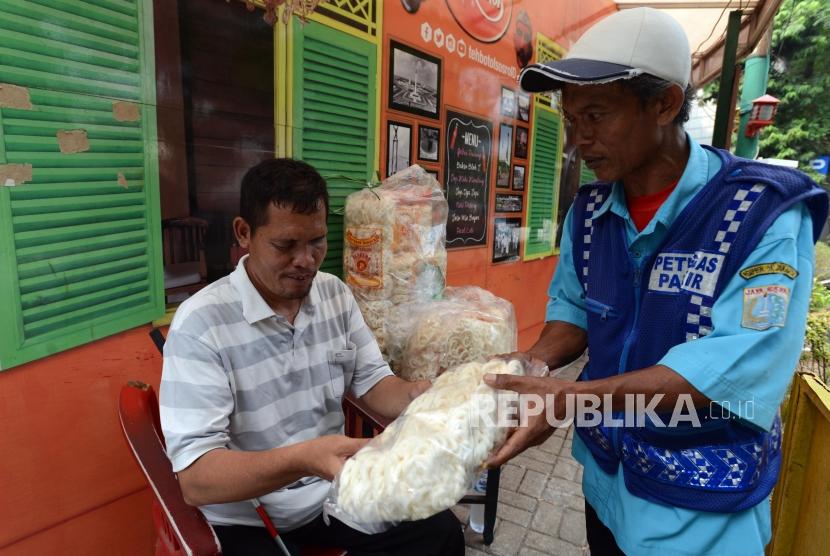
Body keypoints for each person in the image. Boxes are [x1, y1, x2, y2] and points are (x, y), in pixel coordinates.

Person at [484, 7, 828, 556]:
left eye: (596, 116)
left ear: (665, 103)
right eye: (572, 121)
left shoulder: (763, 213)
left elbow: (722, 375)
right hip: (607, 485)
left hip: (701, 510)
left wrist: (567, 402)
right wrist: (523, 371)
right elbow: (574, 313)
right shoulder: (591, 209)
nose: (578, 141)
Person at [160, 158, 464, 556]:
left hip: (330, 491)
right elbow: (197, 479)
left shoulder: (334, 294)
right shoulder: (202, 324)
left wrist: (424, 395)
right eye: (286, 245)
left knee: (439, 531)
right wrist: (305, 458)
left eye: (316, 241)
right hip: (249, 514)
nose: (306, 260)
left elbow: (374, 382)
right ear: (244, 234)